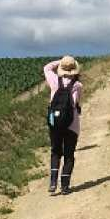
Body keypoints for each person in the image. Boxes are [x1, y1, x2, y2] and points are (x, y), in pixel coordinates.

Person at [44, 56, 83, 195]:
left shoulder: (54, 80)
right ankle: (65, 186)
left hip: (54, 123)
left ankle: (53, 182)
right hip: (72, 124)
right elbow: (76, 104)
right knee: (69, 154)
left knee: (55, 152)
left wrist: (59, 61)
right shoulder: (78, 85)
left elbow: (47, 67)